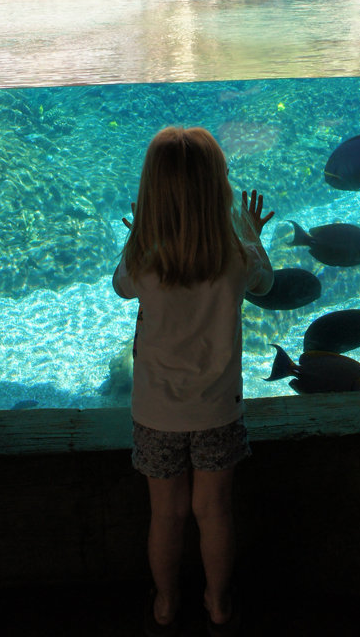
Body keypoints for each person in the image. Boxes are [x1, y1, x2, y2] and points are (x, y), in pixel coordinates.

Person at [112, 126, 274, 637]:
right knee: (214, 510)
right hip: (218, 411)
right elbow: (266, 282)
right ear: (219, 188)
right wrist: (250, 232)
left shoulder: (145, 258)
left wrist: (139, 233)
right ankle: (219, 604)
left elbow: (120, 288)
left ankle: (164, 604)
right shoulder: (235, 256)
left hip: (156, 412)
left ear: (151, 192)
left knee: (167, 514)